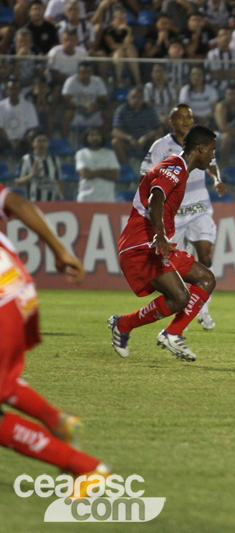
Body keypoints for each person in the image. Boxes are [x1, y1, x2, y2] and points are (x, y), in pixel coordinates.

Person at [0, 186, 110, 493]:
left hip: (1, 303)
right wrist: (59, 250)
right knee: (3, 381)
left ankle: (87, 468)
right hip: (17, 289)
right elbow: (15, 201)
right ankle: (59, 422)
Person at [109, 125, 218, 362]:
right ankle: (130, 325)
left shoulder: (180, 170)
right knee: (180, 297)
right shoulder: (174, 167)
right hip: (141, 243)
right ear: (200, 148)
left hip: (155, 243)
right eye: (211, 150)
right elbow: (155, 198)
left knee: (206, 279)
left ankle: (169, 332)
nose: (212, 155)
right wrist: (160, 235)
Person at [139, 106, 225, 332]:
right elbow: (145, 175)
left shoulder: (202, 142)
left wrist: (216, 180)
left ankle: (203, 307)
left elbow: (213, 164)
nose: (185, 121)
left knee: (205, 255)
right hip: (175, 213)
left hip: (199, 208)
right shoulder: (161, 147)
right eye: (180, 117)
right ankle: (182, 308)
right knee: (173, 264)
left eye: (189, 117)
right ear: (171, 122)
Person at [15, 132, 63, 201]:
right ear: (33, 143)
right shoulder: (26, 159)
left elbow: (58, 180)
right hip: (33, 202)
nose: (42, 144)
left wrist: (62, 196)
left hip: (51, 203)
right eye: (39, 141)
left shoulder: (55, 159)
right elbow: (18, 183)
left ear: (48, 143)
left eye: (44, 141)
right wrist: (31, 175)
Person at [76, 127, 120, 202]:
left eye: (98, 135)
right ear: (86, 137)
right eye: (92, 135)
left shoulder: (110, 154)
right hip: (86, 198)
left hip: (107, 199)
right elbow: (86, 174)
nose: (95, 137)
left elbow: (115, 175)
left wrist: (93, 173)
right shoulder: (81, 153)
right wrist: (106, 172)